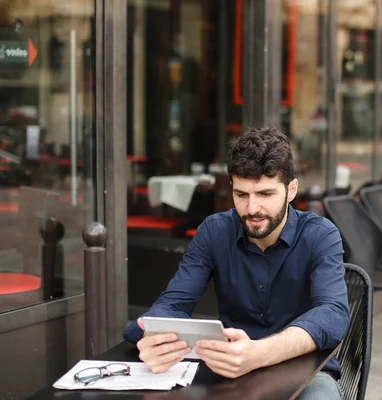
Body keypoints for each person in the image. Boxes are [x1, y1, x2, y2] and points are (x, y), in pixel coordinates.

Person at [123, 127, 349, 399]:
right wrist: (153, 337)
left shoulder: (320, 234)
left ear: (291, 190)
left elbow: (334, 314)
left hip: (306, 372)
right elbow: (173, 304)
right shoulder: (214, 231)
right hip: (229, 371)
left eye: (265, 194)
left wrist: (260, 353)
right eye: (242, 195)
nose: (252, 208)